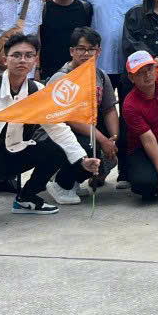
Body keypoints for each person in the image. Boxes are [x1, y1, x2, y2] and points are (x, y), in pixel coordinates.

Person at [0, 33, 99, 221]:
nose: (22, 60)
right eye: (16, 55)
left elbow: (57, 127)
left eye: (29, 55)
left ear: (36, 60)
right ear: (5, 59)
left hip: (13, 152)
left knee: (56, 149)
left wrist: (82, 159)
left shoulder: (37, 91)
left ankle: (26, 198)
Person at [45, 27, 119, 204]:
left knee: (112, 146)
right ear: (72, 51)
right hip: (59, 133)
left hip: (89, 130)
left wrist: (114, 138)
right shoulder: (61, 77)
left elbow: (109, 108)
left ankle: (74, 181)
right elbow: (69, 118)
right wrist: (103, 140)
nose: (86, 54)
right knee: (89, 147)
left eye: (91, 49)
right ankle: (61, 183)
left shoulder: (100, 75)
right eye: (81, 49)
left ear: (98, 51)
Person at [77, 0, 146, 96]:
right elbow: (70, 5)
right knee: (98, 113)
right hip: (100, 64)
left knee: (129, 112)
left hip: (132, 65)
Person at [120, 50, 158, 202]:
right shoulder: (130, 104)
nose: (147, 75)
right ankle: (152, 178)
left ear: (156, 69)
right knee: (145, 184)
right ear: (131, 78)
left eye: (149, 69)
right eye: (140, 73)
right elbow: (148, 140)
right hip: (142, 149)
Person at [38, 0, 93, 80]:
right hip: (48, 73)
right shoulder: (42, 8)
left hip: (78, 72)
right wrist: (36, 69)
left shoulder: (85, 8)